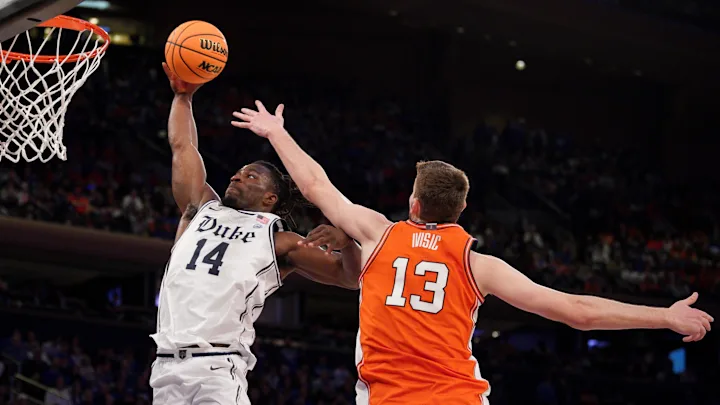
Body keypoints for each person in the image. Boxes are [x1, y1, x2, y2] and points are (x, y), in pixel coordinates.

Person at [232, 101, 714, 405]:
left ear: (413, 203)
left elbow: (316, 185)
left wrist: (276, 132)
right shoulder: (479, 265)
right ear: (461, 211)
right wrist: (664, 317)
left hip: (390, 398)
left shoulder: (379, 233)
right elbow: (578, 312)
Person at [150, 65, 363, 405]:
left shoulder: (279, 239)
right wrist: (183, 96)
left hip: (216, 369)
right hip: (165, 369)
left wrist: (348, 242)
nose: (237, 177)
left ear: (270, 199)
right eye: (238, 172)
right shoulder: (201, 207)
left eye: (251, 177)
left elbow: (348, 277)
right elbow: (182, 146)